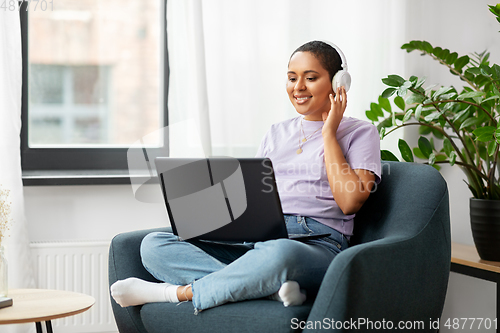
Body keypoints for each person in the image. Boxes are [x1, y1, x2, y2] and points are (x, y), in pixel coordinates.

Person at [110, 40, 381, 314]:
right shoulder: (276, 133)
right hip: (258, 241)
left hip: (315, 244)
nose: (298, 87)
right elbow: (254, 198)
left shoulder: (360, 133)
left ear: (338, 83)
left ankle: (175, 293)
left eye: (310, 78)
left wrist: (328, 133)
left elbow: (350, 202)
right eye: (291, 78)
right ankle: (265, 288)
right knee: (155, 245)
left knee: (279, 255)